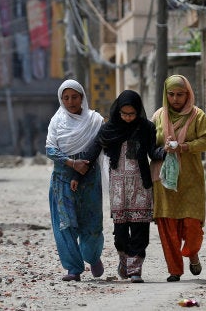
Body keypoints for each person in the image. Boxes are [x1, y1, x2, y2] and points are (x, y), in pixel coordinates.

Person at [78, 90, 165, 283]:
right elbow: (95, 149)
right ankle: (124, 259)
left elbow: (152, 151)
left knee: (140, 226)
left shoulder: (146, 128)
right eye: (124, 114)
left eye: (131, 114)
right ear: (118, 111)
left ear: (138, 111)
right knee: (120, 230)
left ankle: (135, 269)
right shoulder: (110, 128)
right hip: (117, 185)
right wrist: (80, 168)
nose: (127, 118)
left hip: (141, 184)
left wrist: (164, 152)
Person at [151, 75, 206, 282]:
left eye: (180, 94)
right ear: (165, 95)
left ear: (188, 94)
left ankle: (192, 252)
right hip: (164, 179)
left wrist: (184, 146)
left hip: (190, 179)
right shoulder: (158, 116)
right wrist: (162, 150)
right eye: (171, 94)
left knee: (192, 225)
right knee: (167, 225)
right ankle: (174, 270)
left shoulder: (198, 115)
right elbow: (150, 145)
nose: (175, 99)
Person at [45, 79, 105, 281]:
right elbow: (50, 149)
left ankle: (93, 257)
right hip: (62, 179)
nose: (71, 101)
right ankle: (73, 269)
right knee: (65, 224)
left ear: (82, 98)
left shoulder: (95, 121)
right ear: (61, 99)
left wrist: (82, 167)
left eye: (75, 97)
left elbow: (99, 146)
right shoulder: (57, 122)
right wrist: (71, 163)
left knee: (92, 222)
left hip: (89, 178)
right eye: (66, 97)